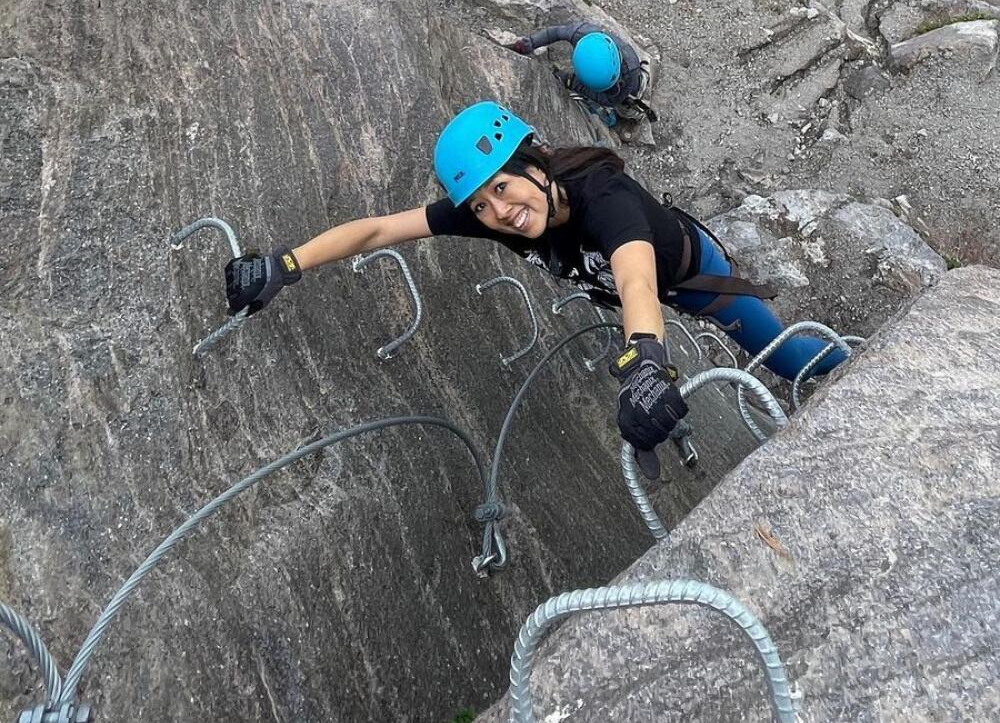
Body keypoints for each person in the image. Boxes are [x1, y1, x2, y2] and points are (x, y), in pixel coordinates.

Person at [223, 101, 851, 475]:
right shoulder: (499, 222)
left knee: (792, 360)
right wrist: (288, 263)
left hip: (693, 276)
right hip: (645, 293)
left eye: (503, 186)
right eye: (480, 205)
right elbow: (383, 229)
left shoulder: (603, 199)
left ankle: (871, 373)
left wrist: (647, 360)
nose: (498, 211)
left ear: (536, 164)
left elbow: (635, 275)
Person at [509, 23, 656, 129]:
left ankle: (636, 113)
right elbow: (555, 32)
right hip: (614, 77)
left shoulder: (630, 69)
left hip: (630, 81)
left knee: (626, 106)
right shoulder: (582, 34)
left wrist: (572, 82)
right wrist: (531, 42)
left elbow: (608, 100)